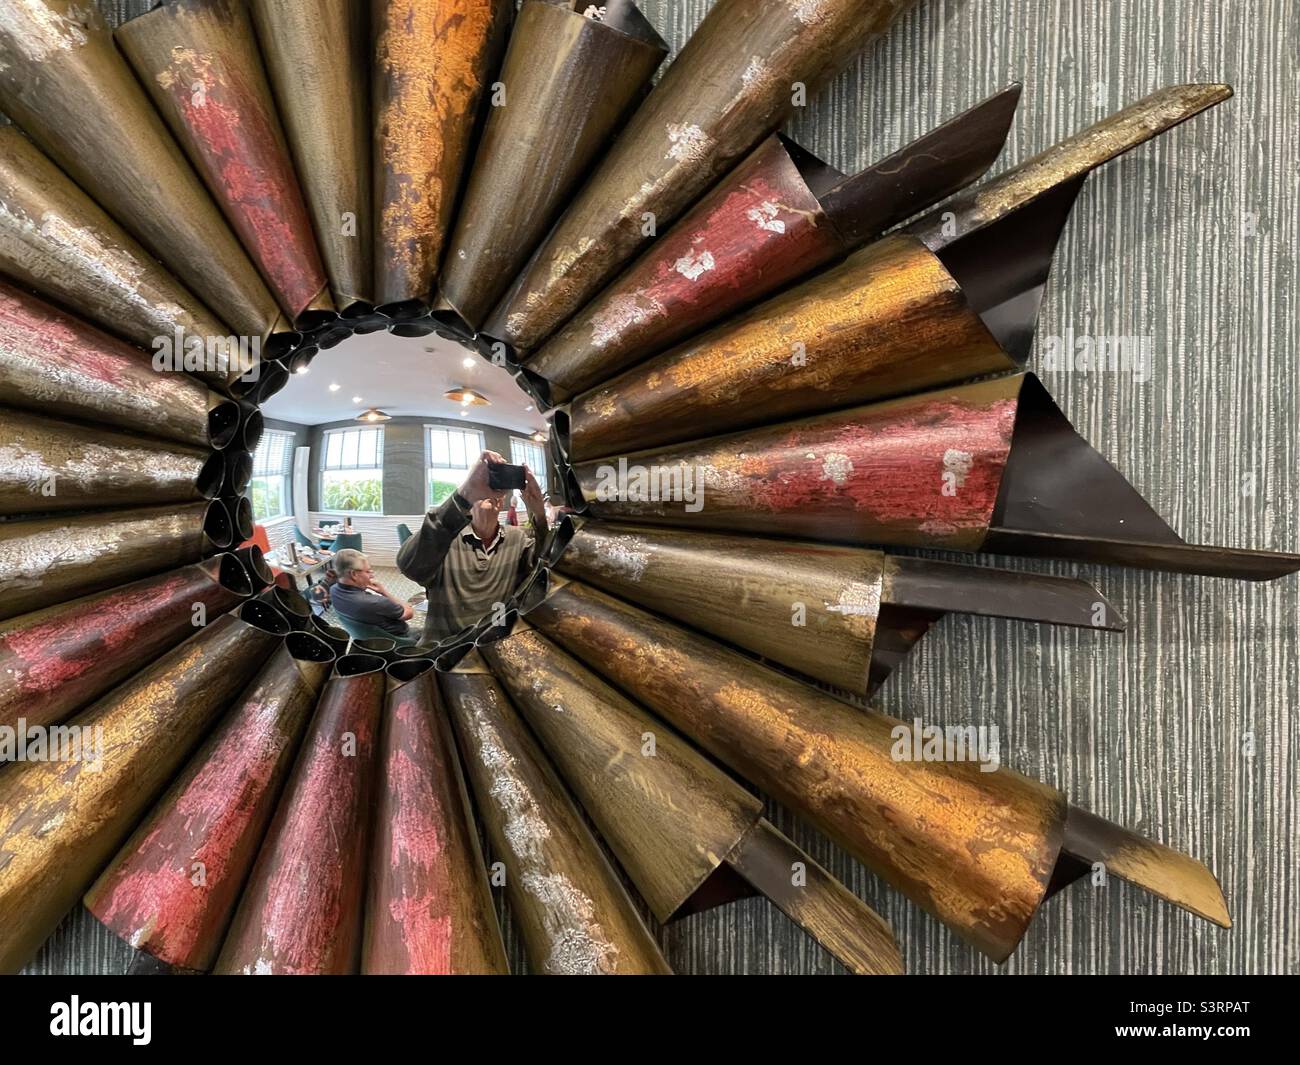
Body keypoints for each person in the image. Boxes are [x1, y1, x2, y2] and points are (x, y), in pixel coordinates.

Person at [397, 450, 548, 645]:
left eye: (496, 486)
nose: (490, 492)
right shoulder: (445, 538)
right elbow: (408, 565)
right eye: (484, 485)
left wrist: (539, 513)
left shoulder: (516, 538)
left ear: (501, 499)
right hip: (444, 652)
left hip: (493, 647)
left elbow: (543, 568)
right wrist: (465, 493)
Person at [329, 548, 415, 639]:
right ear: (354, 574)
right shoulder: (376, 602)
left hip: (366, 640)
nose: (372, 575)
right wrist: (384, 592)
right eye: (367, 571)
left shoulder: (333, 590)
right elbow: (409, 613)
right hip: (398, 641)